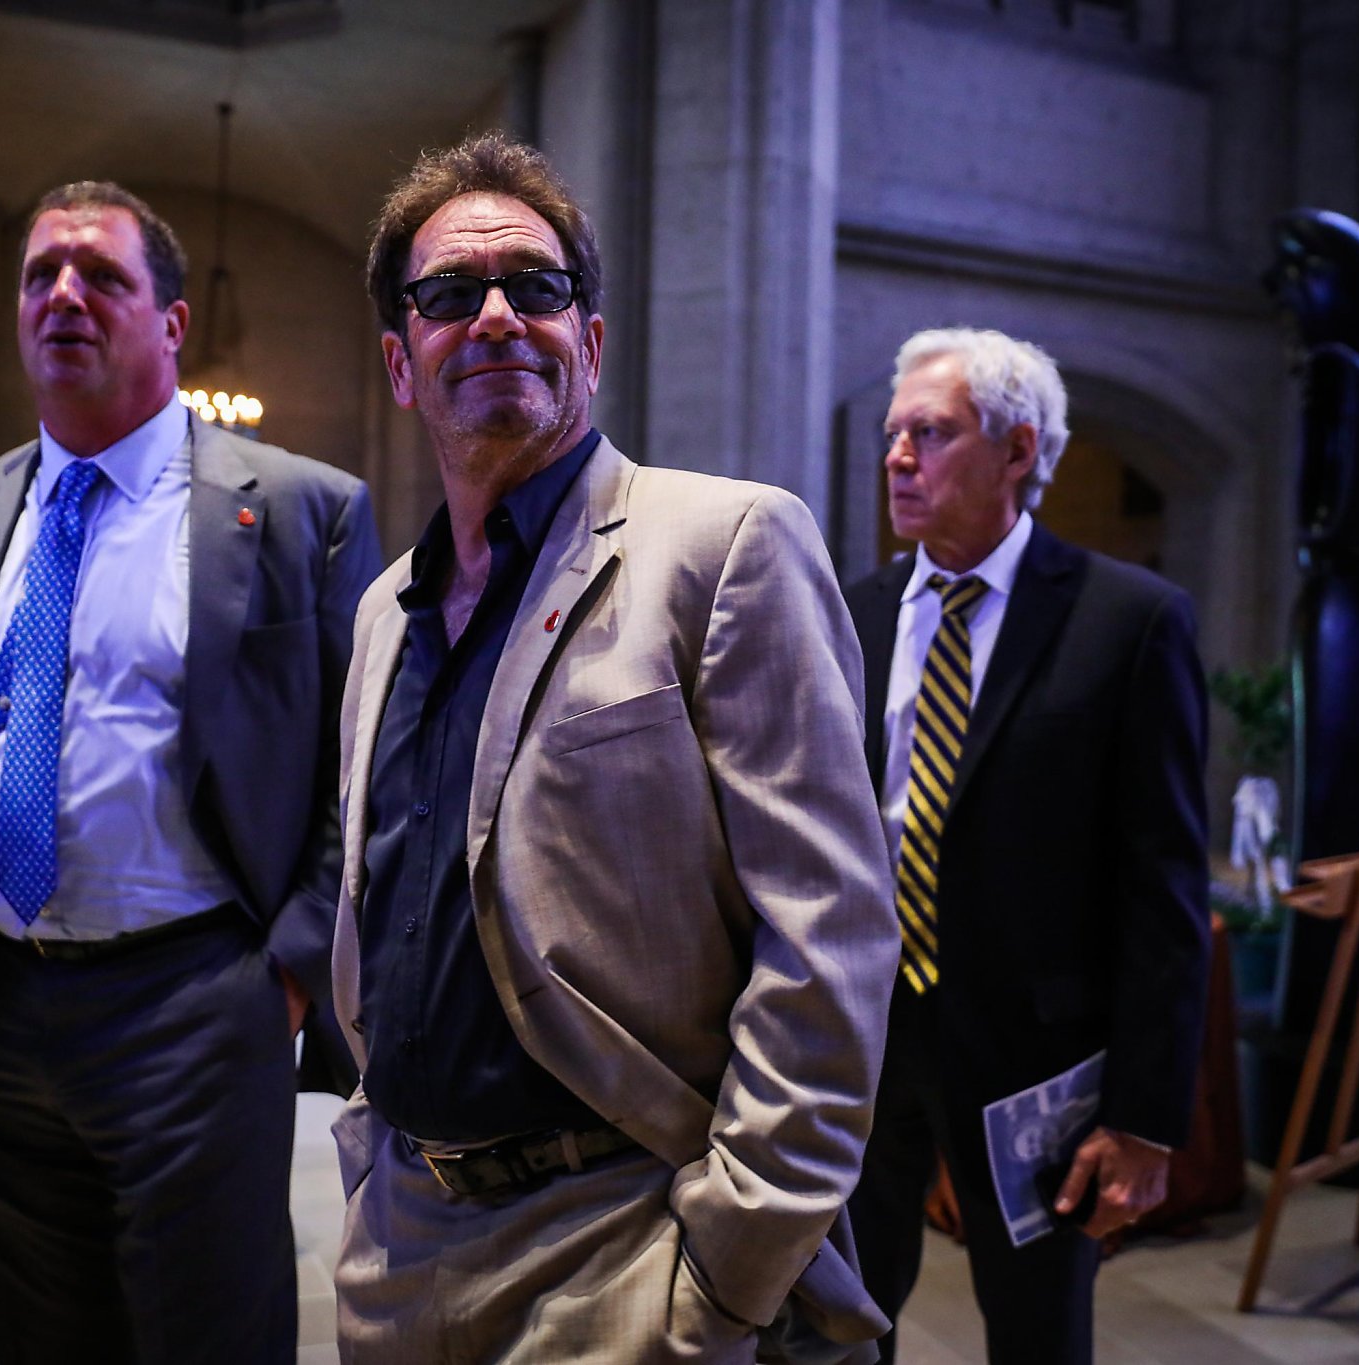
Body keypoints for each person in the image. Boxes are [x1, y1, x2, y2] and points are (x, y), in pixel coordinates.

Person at [329, 132, 897, 1364]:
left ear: (587, 338)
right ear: (398, 359)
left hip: (620, 1243)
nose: (493, 317)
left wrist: (727, 1275)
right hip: (402, 1246)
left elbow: (828, 940)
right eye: (446, 297)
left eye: (534, 287)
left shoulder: (723, 545)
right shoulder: (384, 612)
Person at [0, 181, 380, 1364]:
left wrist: (288, 975)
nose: (62, 296)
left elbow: (363, 763)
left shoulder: (301, 508)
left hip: (189, 1005)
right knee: (46, 1339)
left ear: (171, 322)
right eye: (39, 274)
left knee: (209, 1334)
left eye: (100, 276)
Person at [841, 328, 1211, 1363]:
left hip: (1033, 1060)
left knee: (1037, 1332)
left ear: (1018, 450)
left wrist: (1144, 1117)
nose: (897, 459)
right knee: (836, 1316)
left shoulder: (1126, 621)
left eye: (931, 432)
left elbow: (1163, 883)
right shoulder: (851, 613)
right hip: (862, 1034)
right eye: (891, 434)